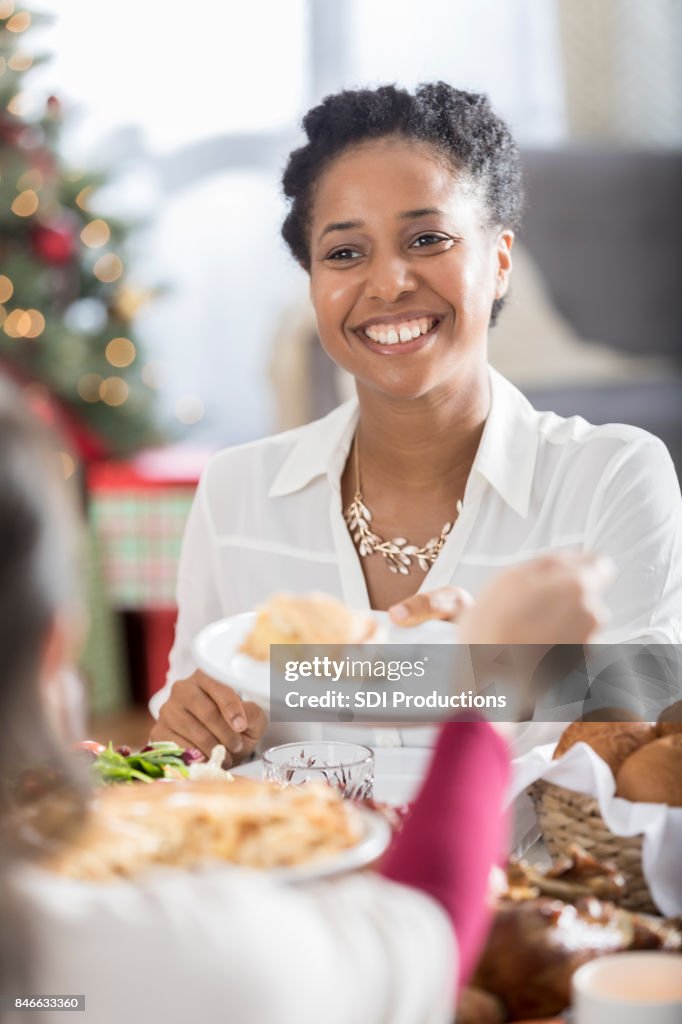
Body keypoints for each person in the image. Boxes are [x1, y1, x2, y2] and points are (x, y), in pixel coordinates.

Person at [150, 82, 682, 761]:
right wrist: (189, 733)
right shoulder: (236, 492)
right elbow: (184, 756)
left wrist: (465, 671)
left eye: (427, 239)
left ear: (500, 260)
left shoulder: (611, 477)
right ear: (312, 281)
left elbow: (639, 767)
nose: (388, 282)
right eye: (344, 253)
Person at [0, 383, 510, 1023]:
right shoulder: (153, 954)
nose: (389, 283)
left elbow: (647, 707)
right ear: (59, 640)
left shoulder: (613, 470)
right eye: (341, 269)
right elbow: (421, 940)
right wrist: (478, 675)